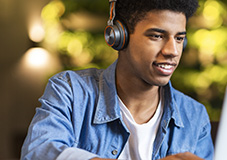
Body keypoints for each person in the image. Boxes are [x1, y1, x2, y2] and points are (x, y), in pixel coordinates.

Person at [21, 0, 214, 159]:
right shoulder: (71, 91)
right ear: (118, 36)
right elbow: (38, 152)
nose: (172, 51)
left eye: (179, 38)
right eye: (157, 36)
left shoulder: (195, 116)